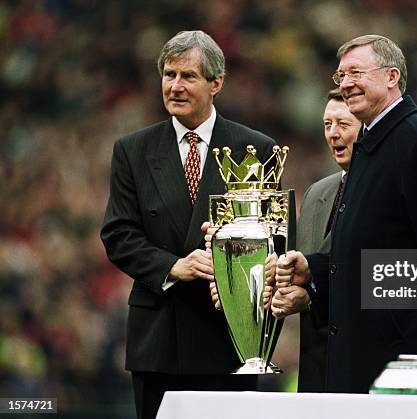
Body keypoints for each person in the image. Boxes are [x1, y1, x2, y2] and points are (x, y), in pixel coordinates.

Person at [275, 34, 417, 393]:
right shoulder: (371, 150)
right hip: (368, 357)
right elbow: (371, 255)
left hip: (407, 362)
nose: (345, 84)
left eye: (356, 72)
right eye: (340, 76)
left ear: (392, 77)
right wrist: (314, 270)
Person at [100, 30, 276, 419]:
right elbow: (118, 234)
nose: (175, 86)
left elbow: (271, 238)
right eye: (168, 75)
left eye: (188, 76)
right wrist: (172, 266)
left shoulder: (256, 149)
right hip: (160, 340)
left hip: (230, 339)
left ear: (217, 83)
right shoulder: (132, 150)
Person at [270, 88, 361, 392]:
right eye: (327, 124)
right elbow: (305, 271)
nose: (333, 134)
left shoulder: (390, 193)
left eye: (344, 125)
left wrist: (311, 294)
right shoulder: (315, 194)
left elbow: (384, 275)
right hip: (316, 370)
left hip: (363, 367)